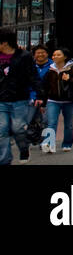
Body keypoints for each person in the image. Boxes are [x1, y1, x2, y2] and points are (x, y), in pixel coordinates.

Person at [0, 29, 40, 164]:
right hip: (1, 99)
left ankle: (24, 148)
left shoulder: (24, 56)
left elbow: (33, 76)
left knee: (18, 128)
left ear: (4, 43)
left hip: (19, 98)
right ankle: (5, 160)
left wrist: (40, 94)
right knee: (2, 130)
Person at [42, 48, 73, 151]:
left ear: (65, 57)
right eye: (53, 55)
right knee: (51, 122)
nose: (55, 57)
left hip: (69, 100)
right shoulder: (50, 69)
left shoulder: (72, 68)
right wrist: (43, 101)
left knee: (68, 124)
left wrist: (69, 79)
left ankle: (67, 144)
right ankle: (49, 144)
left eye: (58, 55)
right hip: (53, 100)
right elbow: (45, 86)